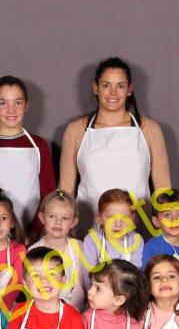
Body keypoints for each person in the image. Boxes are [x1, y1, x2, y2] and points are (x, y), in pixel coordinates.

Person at [58, 56, 171, 226]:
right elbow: (66, 188)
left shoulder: (150, 129)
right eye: (106, 85)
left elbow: (163, 187)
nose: (113, 93)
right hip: (90, 227)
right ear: (95, 88)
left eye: (120, 86)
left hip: (138, 226)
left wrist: (168, 226)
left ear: (130, 90)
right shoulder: (75, 130)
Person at [0, 75, 55, 234]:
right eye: (3, 103)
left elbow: (48, 194)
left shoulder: (39, 145)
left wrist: (34, 231)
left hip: (33, 233)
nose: (11, 110)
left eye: (18, 102)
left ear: (26, 106)